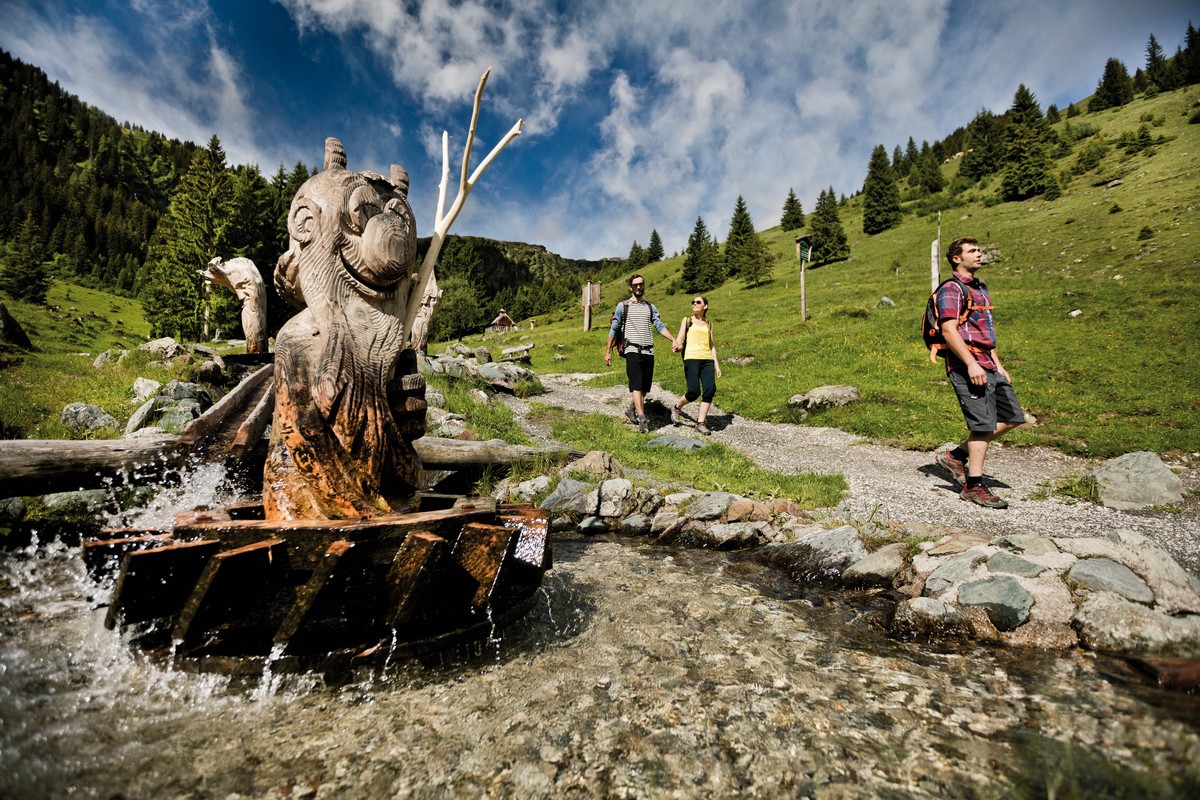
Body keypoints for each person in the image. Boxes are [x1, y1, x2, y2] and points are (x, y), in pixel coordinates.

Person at [933, 236, 1026, 509]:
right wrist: (971, 364)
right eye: (972, 251)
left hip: (988, 362)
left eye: (979, 250)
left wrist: (998, 364)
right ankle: (973, 486)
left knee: (1012, 417)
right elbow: (949, 330)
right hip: (967, 365)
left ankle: (955, 456)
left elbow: (984, 333)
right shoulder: (951, 288)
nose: (979, 254)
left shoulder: (980, 288)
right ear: (956, 258)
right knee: (983, 425)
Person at [604, 274, 677, 432]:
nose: (638, 287)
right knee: (636, 385)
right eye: (635, 285)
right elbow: (614, 329)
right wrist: (607, 351)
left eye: (641, 284)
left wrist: (673, 339)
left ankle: (631, 409)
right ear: (630, 287)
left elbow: (659, 326)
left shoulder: (650, 307)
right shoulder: (623, 306)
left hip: (648, 350)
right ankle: (642, 417)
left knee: (644, 387)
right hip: (632, 349)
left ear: (644, 286)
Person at [670, 295, 722, 435]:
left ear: (705, 306)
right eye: (693, 302)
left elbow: (711, 346)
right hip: (691, 358)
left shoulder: (709, 324)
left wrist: (716, 365)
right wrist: (677, 346)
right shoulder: (687, 321)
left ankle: (700, 423)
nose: (694, 304)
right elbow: (679, 339)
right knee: (693, 392)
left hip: (707, 360)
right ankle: (676, 408)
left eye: (698, 302)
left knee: (710, 389)